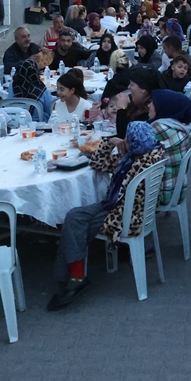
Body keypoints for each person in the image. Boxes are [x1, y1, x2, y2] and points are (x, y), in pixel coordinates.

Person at [47, 122, 166, 311]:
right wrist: (109, 142)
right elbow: (98, 164)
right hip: (115, 205)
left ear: (132, 140)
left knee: (74, 223)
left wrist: (120, 149)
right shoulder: (140, 154)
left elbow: (129, 199)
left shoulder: (140, 162)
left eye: (126, 137)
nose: (124, 139)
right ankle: (73, 276)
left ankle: (74, 278)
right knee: (74, 218)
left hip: (124, 215)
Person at [147, 90, 191, 206]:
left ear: (163, 107)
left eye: (153, 103)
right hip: (177, 188)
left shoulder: (159, 129)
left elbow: (130, 146)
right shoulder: (175, 125)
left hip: (160, 192)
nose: (148, 105)